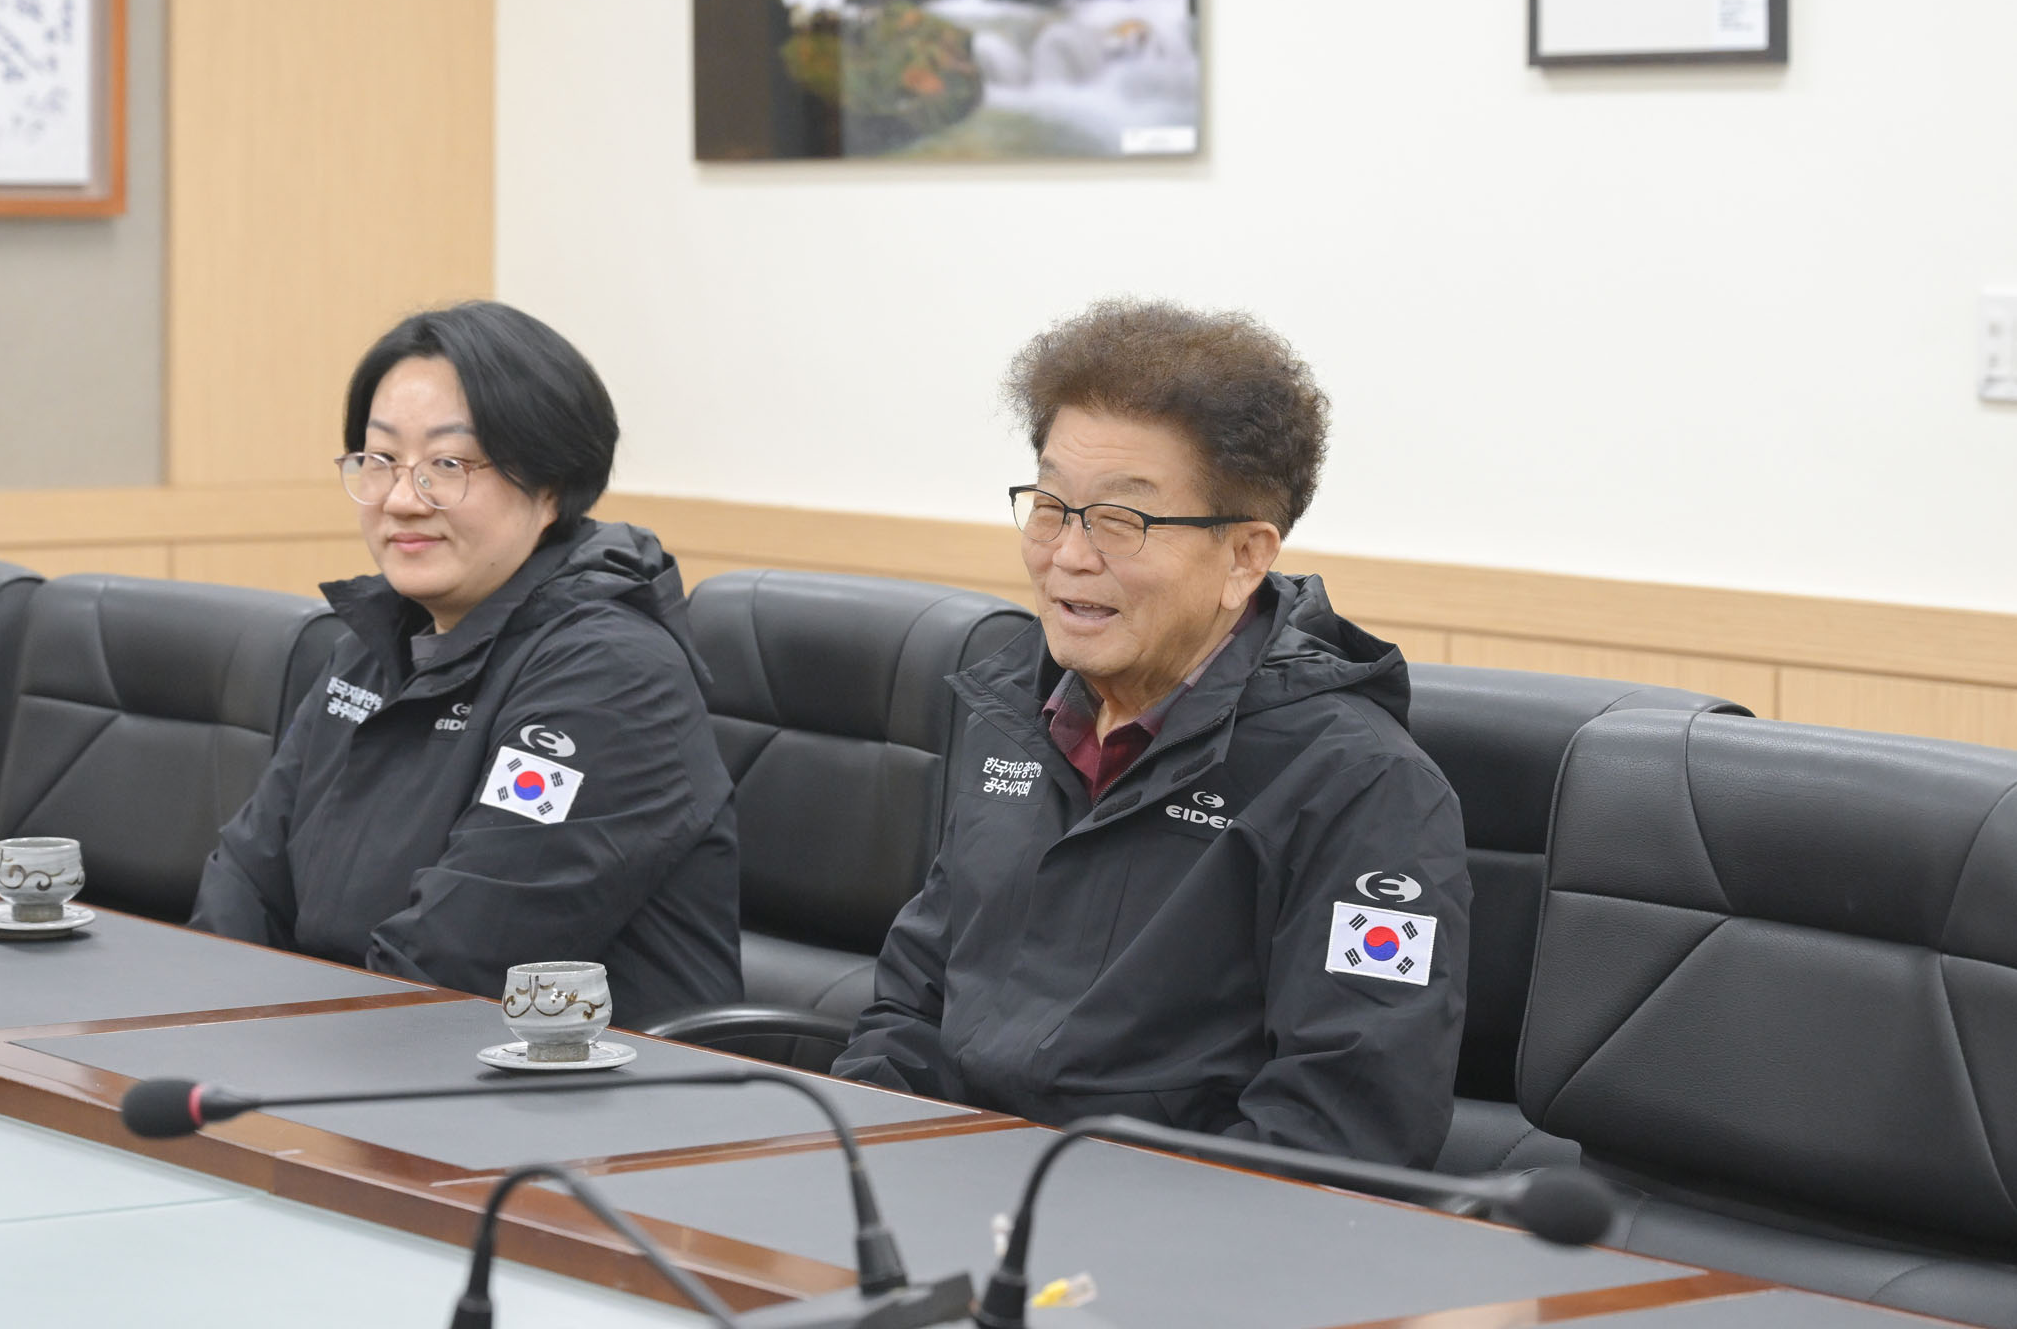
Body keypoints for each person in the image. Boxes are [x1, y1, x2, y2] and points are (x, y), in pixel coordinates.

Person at [832, 298, 1469, 1166]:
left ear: (1244, 557)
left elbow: (1344, 1131)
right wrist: (853, 1153)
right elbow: (913, 1005)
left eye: (1121, 521)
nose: (1068, 555)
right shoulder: (1013, 712)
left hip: (1168, 1223)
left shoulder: (1362, 785)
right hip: (953, 1186)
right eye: (1050, 506)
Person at [191, 301, 741, 1022]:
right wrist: (204, 1024)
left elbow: (463, 956)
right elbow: (245, 880)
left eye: (447, 465)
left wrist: (268, 1044)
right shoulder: (375, 643)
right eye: (380, 460)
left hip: (560, 1076)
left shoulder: (613, 676)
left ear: (549, 486)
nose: (400, 499)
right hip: (346, 1046)